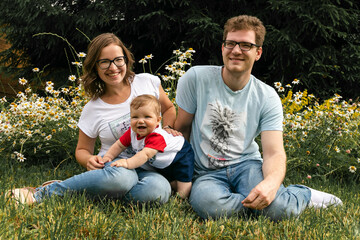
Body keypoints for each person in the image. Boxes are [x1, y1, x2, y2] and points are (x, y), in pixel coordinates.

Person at [174, 15, 342, 220]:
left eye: (246, 45)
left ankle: (301, 194)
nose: (236, 50)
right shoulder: (196, 79)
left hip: (247, 165)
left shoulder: (267, 96)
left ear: (258, 52)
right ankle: (266, 206)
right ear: (222, 47)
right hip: (206, 173)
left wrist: (270, 185)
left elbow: (274, 153)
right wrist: (180, 176)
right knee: (209, 205)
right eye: (231, 43)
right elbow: (182, 130)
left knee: (280, 209)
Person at [7, 33, 177, 205]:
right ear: (95, 66)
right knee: (121, 181)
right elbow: (81, 150)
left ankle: (89, 191)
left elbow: (169, 108)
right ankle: (41, 194)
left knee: (158, 191)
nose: (113, 67)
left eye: (118, 59)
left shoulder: (146, 82)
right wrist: (88, 160)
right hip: (115, 167)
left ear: (126, 60)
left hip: (149, 166)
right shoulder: (93, 108)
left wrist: (168, 127)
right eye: (104, 62)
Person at [102, 94, 194, 198]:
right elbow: (119, 145)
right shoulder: (132, 132)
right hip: (162, 159)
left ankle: (181, 198)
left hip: (180, 154)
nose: (140, 121)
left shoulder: (156, 136)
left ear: (158, 121)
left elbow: (145, 155)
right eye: (135, 117)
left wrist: (127, 163)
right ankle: (174, 186)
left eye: (147, 117)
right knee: (169, 178)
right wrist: (108, 156)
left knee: (183, 178)